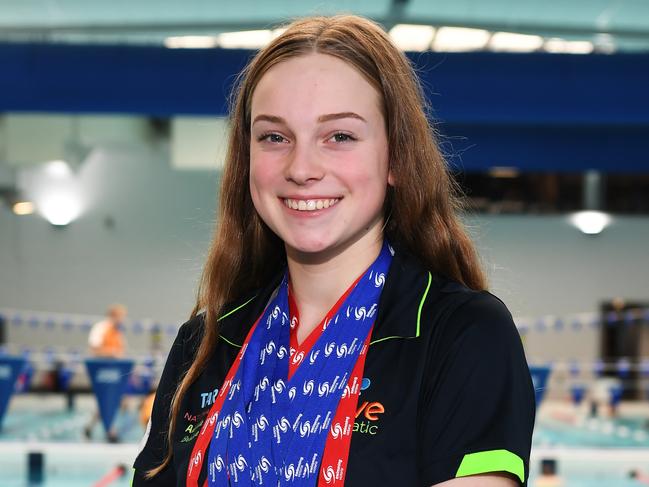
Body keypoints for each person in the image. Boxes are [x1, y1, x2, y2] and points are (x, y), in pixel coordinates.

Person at [133, 14, 535, 487]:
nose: (302, 167)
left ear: (396, 160)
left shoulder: (463, 334)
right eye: (274, 137)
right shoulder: (204, 343)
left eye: (340, 136)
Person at [85, 304, 127, 441]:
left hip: (115, 374)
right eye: (121, 317)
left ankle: (97, 428)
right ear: (113, 316)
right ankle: (109, 431)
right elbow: (93, 350)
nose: (123, 320)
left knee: (112, 402)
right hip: (101, 374)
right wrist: (112, 354)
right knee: (104, 401)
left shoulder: (117, 332)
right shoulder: (101, 328)